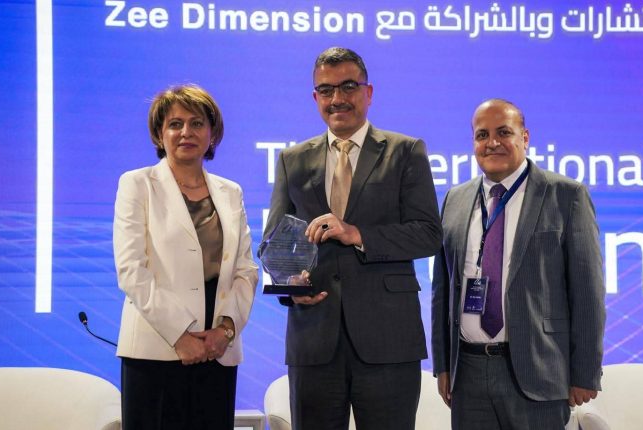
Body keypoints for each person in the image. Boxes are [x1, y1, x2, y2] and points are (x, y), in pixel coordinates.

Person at [262, 47, 442, 430]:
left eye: (348, 86)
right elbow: (273, 246)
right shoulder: (292, 160)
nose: (337, 99)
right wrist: (290, 285)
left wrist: (357, 234)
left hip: (388, 339)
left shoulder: (405, 151)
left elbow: (428, 235)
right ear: (315, 97)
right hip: (313, 339)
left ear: (368, 92)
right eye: (326, 90)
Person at [431, 99, 606, 429]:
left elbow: (587, 292)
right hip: (468, 374)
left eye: (503, 132)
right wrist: (443, 364)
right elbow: (443, 289)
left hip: (538, 371)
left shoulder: (566, 195)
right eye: (482, 135)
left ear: (524, 137)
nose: (492, 142)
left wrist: (584, 372)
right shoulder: (455, 199)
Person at [113, 84, 258, 429]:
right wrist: (180, 336)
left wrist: (226, 331)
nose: (186, 132)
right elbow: (132, 271)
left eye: (196, 123)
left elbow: (246, 269)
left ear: (212, 133)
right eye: (175, 124)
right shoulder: (137, 184)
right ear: (159, 134)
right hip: (156, 350)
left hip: (217, 351)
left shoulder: (230, 191)